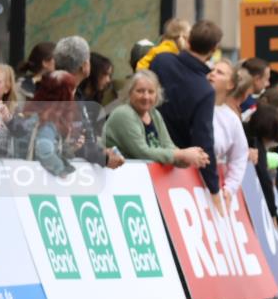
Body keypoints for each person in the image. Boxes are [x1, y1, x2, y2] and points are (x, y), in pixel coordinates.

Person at [150, 20, 222, 210]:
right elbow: (203, 139)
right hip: (173, 168)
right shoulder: (205, 90)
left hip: (139, 150)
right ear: (214, 49)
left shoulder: (161, 61)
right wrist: (214, 188)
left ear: (188, 40)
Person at [104, 70, 209, 168]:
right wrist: (182, 154)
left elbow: (168, 146)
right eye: (140, 91)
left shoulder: (154, 113)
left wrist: (189, 158)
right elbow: (142, 153)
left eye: (151, 92)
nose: (146, 97)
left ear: (157, 95)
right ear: (130, 93)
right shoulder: (124, 114)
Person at [53, 36, 125, 170]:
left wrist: (101, 151)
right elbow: (69, 144)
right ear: (85, 66)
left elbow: (85, 140)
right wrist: (103, 158)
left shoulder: (76, 94)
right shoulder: (57, 95)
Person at [209, 60, 250, 207]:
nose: (212, 74)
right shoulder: (192, 104)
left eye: (219, 72)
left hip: (210, 189)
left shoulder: (231, 119)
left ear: (230, 84)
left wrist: (230, 187)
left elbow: (240, 156)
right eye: (212, 70)